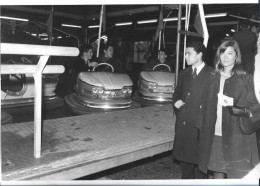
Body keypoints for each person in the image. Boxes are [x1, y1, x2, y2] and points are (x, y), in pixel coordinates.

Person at [198, 40, 260, 179]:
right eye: (222, 53)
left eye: (230, 53)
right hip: (214, 135)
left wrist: (243, 111)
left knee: (236, 176)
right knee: (217, 173)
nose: (225, 57)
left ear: (236, 56)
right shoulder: (212, 77)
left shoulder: (246, 78)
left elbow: (257, 107)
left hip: (237, 136)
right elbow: (203, 106)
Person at [172, 40, 214, 179]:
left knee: (201, 171)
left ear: (200, 55)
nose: (186, 57)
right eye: (185, 54)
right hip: (184, 127)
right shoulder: (184, 73)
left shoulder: (212, 75)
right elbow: (177, 94)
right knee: (186, 170)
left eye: (189, 53)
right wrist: (176, 104)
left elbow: (213, 103)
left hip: (200, 129)